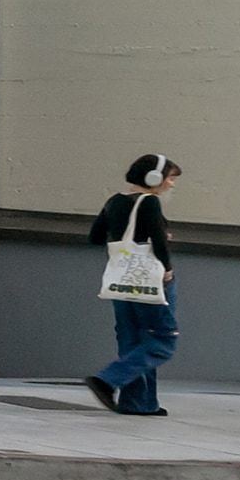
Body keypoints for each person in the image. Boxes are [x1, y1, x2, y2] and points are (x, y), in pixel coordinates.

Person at [89, 151, 183, 415]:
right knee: (162, 340)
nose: (172, 184)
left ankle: (139, 403)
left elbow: (95, 237)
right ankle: (107, 380)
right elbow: (158, 241)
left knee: (132, 340)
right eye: (170, 178)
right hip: (150, 280)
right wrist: (167, 267)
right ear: (154, 177)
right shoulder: (150, 202)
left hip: (121, 280)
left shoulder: (114, 201)